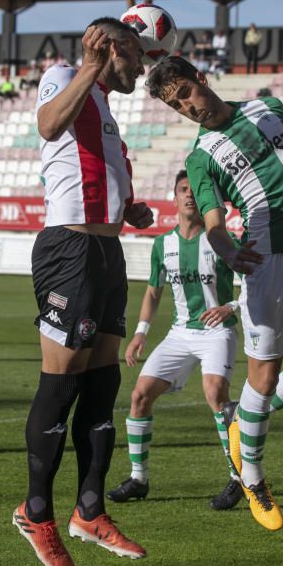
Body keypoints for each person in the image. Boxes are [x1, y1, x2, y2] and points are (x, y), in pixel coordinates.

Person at [145, 56, 283, 532]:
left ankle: (243, 419)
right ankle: (253, 478)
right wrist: (230, 251)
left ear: (200, 77)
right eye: (175, 106)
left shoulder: (269, 107)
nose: (186, 108)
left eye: (185, 93)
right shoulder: (200, 157)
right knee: (263, 374)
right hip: (266, 262)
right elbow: (214, 221)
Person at [12, 17, 152, 566]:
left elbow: (95, 169)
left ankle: (89, 510)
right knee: (62, 381)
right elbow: (48, 126)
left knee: (104, 383)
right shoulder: (65, 75)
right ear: (110, 47)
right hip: (68, 248)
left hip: (106, 252)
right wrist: (90, 67)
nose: (142, 67)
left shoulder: (106, 109)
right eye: (137, 55)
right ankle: (36, 511)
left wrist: (129, 209)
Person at [106, 170, 244, 512]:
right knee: (139, 396)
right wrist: (140, 332)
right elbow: (153, 291)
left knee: (215, 395)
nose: (189, 196)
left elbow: (254, 280)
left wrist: (231, 306)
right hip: (180, 333)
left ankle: (239, 478)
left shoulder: (221, 240)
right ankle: (139, 479)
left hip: (216, 331)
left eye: (195, 191)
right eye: (183, 190)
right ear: (174, 196)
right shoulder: (162, 244)